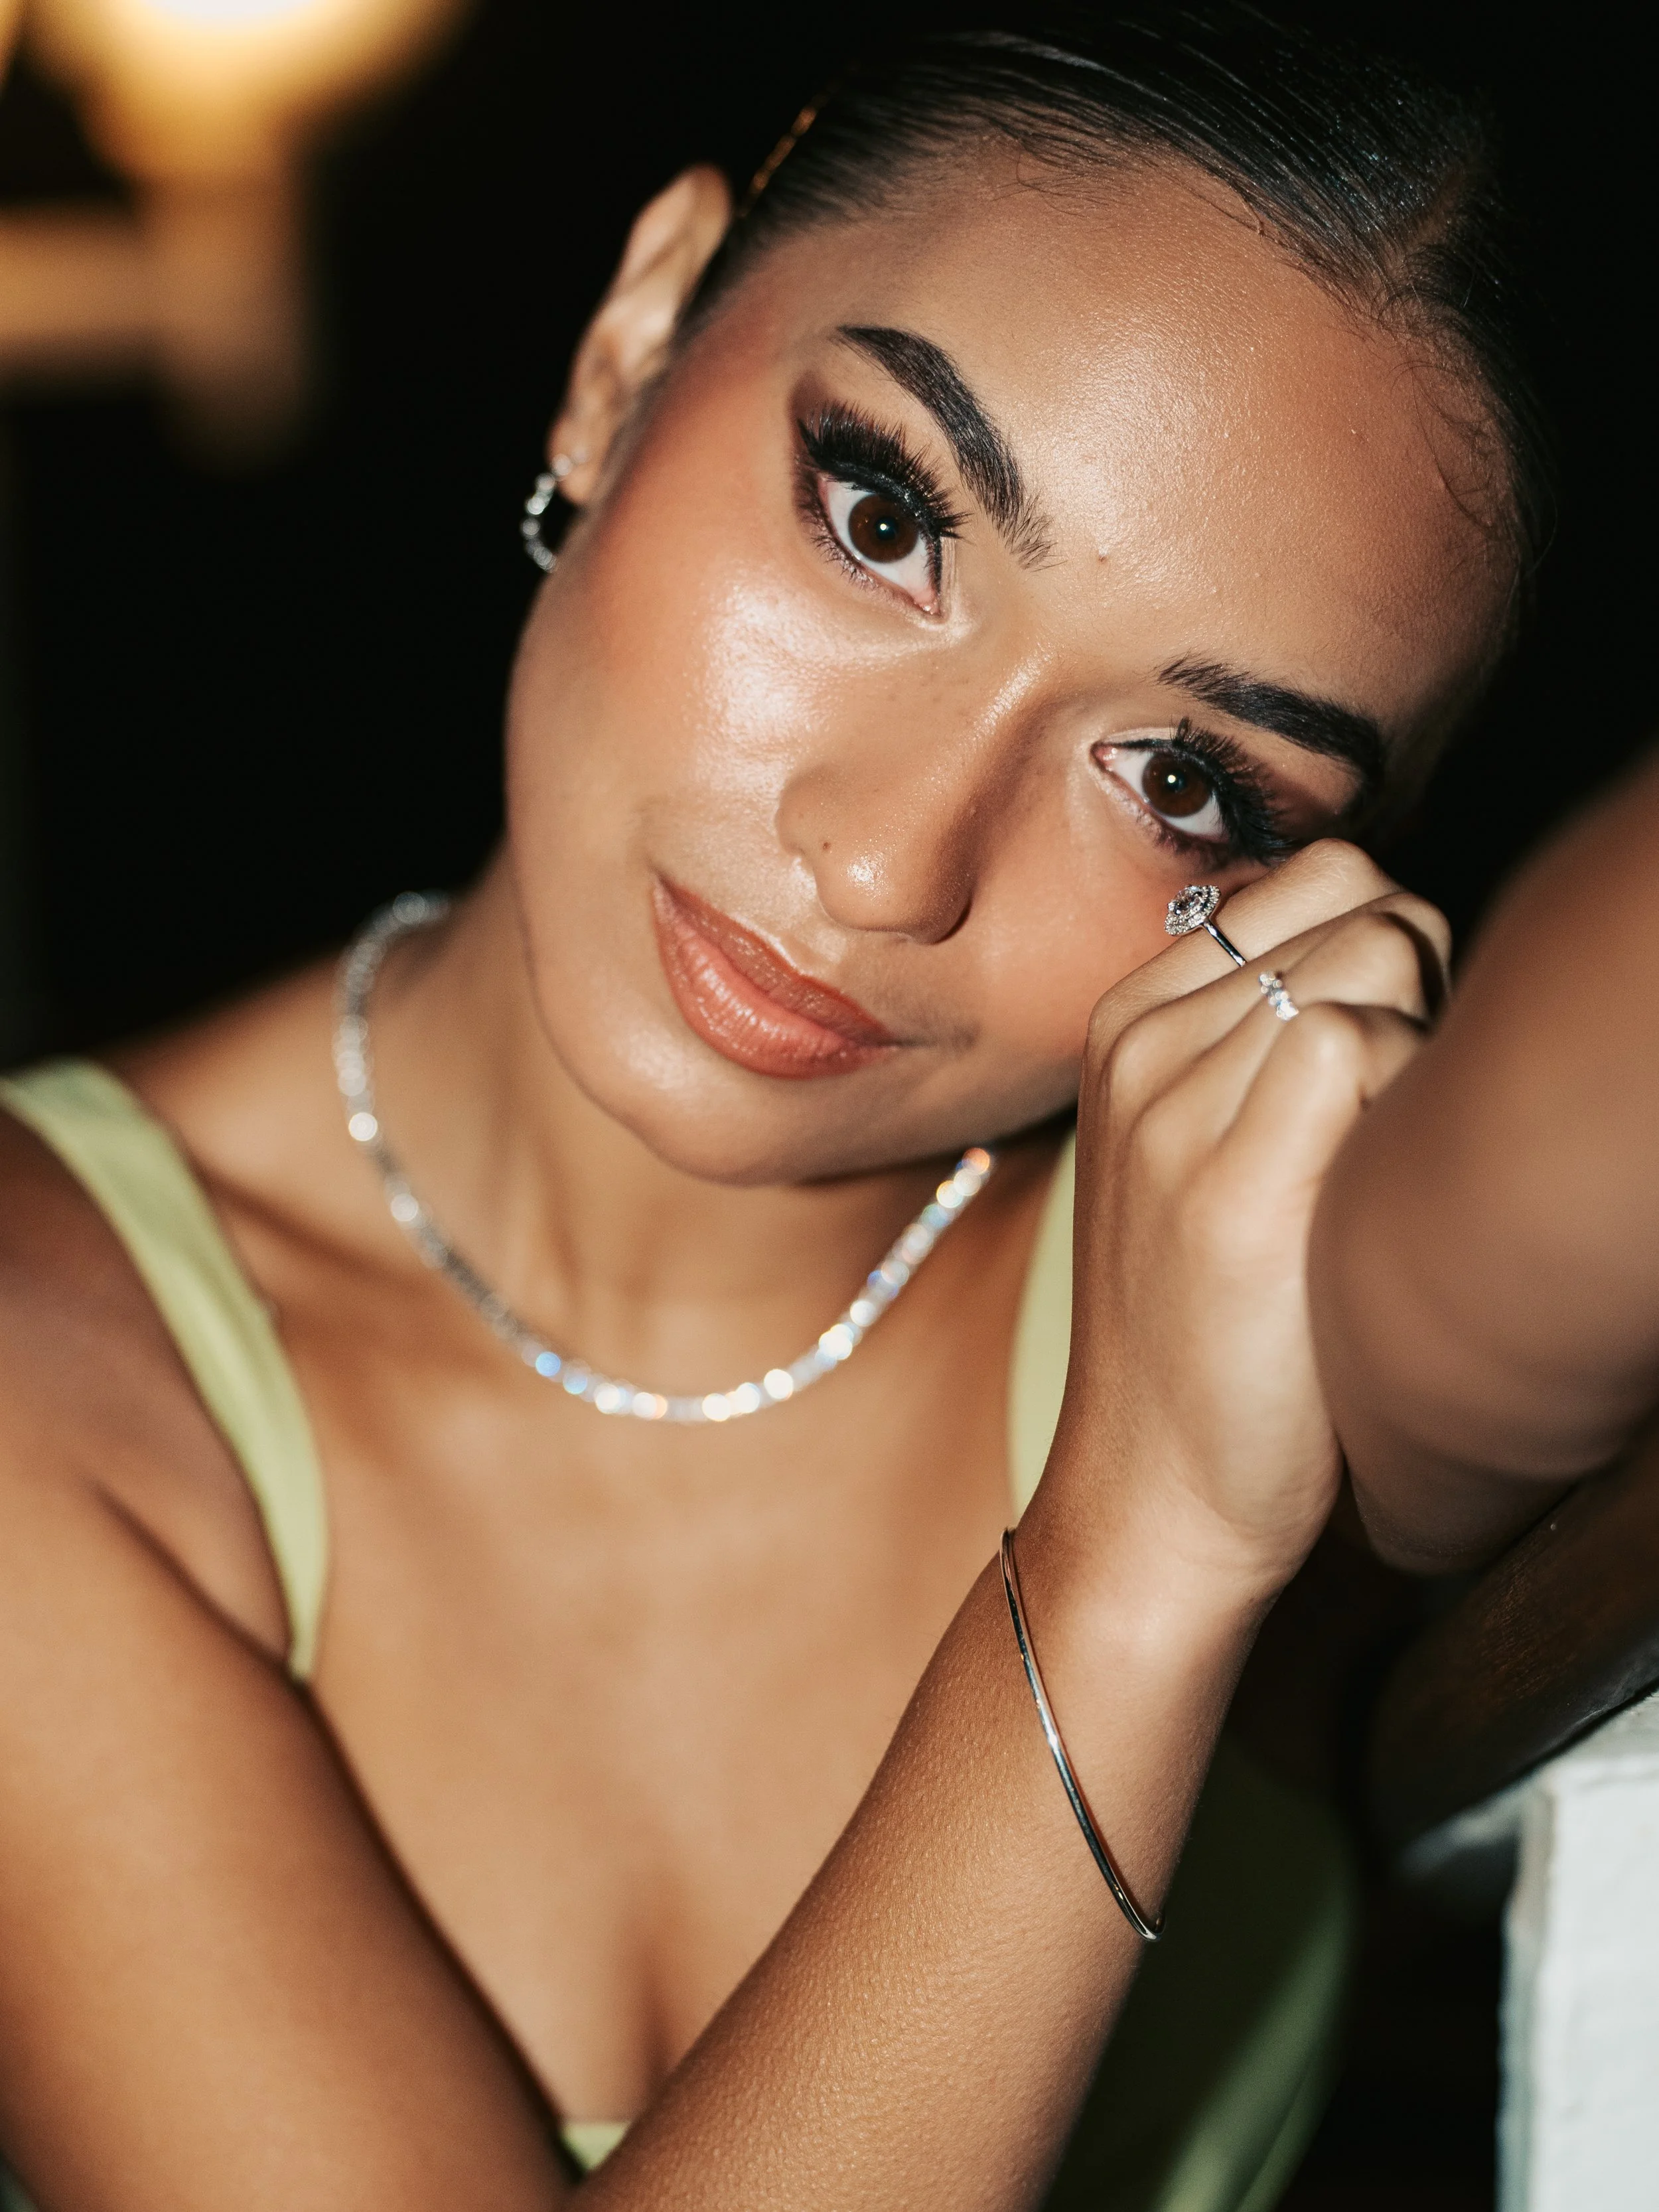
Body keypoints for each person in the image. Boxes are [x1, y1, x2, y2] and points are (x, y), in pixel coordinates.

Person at [0, 10, 1543, 2209]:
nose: (891, 859)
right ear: (631, 348)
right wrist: (1133, 1559)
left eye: (1185, 782)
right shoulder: (41, 1352)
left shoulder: (1275, 1302)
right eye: (882, 510)